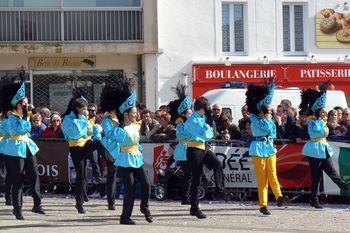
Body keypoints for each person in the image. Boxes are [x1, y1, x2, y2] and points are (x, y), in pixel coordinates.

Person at [99, 74, 153, 225]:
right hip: (125, 160)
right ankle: (125, 217)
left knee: (146, 183)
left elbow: (137, 142)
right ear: (126, 114)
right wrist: (119, 124)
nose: (137, 114)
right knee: (129, 188)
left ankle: (144, 207)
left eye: (136, 112)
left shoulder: (136, 125)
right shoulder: (118, 129)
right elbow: (113, 137)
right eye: (134, 112)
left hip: (137, 158)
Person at [0, 76, 45, 220]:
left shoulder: (22, 116)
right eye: (25, 104)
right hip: (14, 149)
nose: (27, 106)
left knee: (34, 174)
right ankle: (17, 209)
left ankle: (37, 204)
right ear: (18, 105)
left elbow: (27, 130)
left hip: (27, 146)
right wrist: (26, 118)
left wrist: (26, 117)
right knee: (17, 179)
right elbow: (18, 130)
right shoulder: (10, 118)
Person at [300, 82, 350, 209]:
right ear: (317, 111)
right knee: (316, 177)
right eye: (322, 111)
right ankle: (314, 200)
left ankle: (345, 187)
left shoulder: (322, 121)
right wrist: (319, 121)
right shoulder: (312, 122)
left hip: (324, 149)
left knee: (332, 172)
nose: (325, 113)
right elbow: (314, 133)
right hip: (314, 150)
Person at [245, 80, 289, 215]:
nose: (271, 111)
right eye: (269, 109)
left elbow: (274, 133)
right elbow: (262, 131)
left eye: (270, 109)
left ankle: (279, 197)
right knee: (262, 179)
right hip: (258, 147)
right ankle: (263, 204)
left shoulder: (269, 119)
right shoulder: (255, 119)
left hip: (269, 147)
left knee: (273, 175)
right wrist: (266, 118)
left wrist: (271, 119)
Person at [61, 90, 106, 214]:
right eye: (84, 108)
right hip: (76, 148)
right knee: (81, 176)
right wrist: (84, 124)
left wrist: (96, 130)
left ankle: (110, 159)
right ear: (77, 108)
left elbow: (90, 132)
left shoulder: (84, 118)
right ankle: (79, 203)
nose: (86, 111)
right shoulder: (68, 119)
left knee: (98, 143)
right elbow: (74, 133)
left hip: (86, 144)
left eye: (87, 108)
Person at [184, 96, 214, 219]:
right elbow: (204, 135)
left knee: (216, 163)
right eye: (206, 108)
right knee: (196, 179)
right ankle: (194, 207)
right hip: (194, 149)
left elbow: (211, 133)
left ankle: (220, 188)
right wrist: (207, 129)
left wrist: (208, 126)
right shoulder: (192, 120)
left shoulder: (203, 119)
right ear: (202, 108)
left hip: (202, 148)